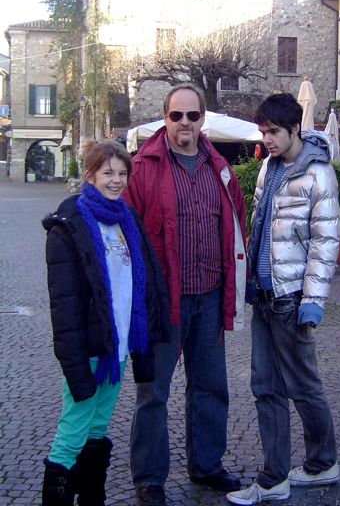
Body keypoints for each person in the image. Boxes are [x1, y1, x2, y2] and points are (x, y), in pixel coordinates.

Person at [123, 84, 247, 506]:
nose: (185, 124)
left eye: (192, 116)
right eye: (177, 116)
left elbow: (235, 225)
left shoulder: (220, 168)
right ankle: (150, 477)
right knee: (153, 391)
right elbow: (126, 234)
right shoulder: (143, 168)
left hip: (209, 295)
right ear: (165, 118)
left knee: (211, 386)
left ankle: (207, 465)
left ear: (202, 119)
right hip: (164, 300)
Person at [227, 92, 340, 505]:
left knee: (304, 387)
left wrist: (314, 299)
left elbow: (325, 243)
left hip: (292, 299)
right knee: (265, 386)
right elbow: (259, 228)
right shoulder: (266, 168)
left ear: (295, 129)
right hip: (264, 296)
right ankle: (276, 477)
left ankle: (320, 463)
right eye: (263, 132)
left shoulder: (318, 174)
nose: (267, 139)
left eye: (273, 132)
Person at [41, 140, 169, 506]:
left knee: (97, 427)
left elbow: (144, 284)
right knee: (73, 430)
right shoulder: (69, 225)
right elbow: (63, 304)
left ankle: (92, 496)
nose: (116, 181)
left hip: (119, 346)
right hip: (90, 348)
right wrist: (73, 357)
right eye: (108, 172)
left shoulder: (126, 220)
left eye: (122, 173)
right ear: (91, 174)